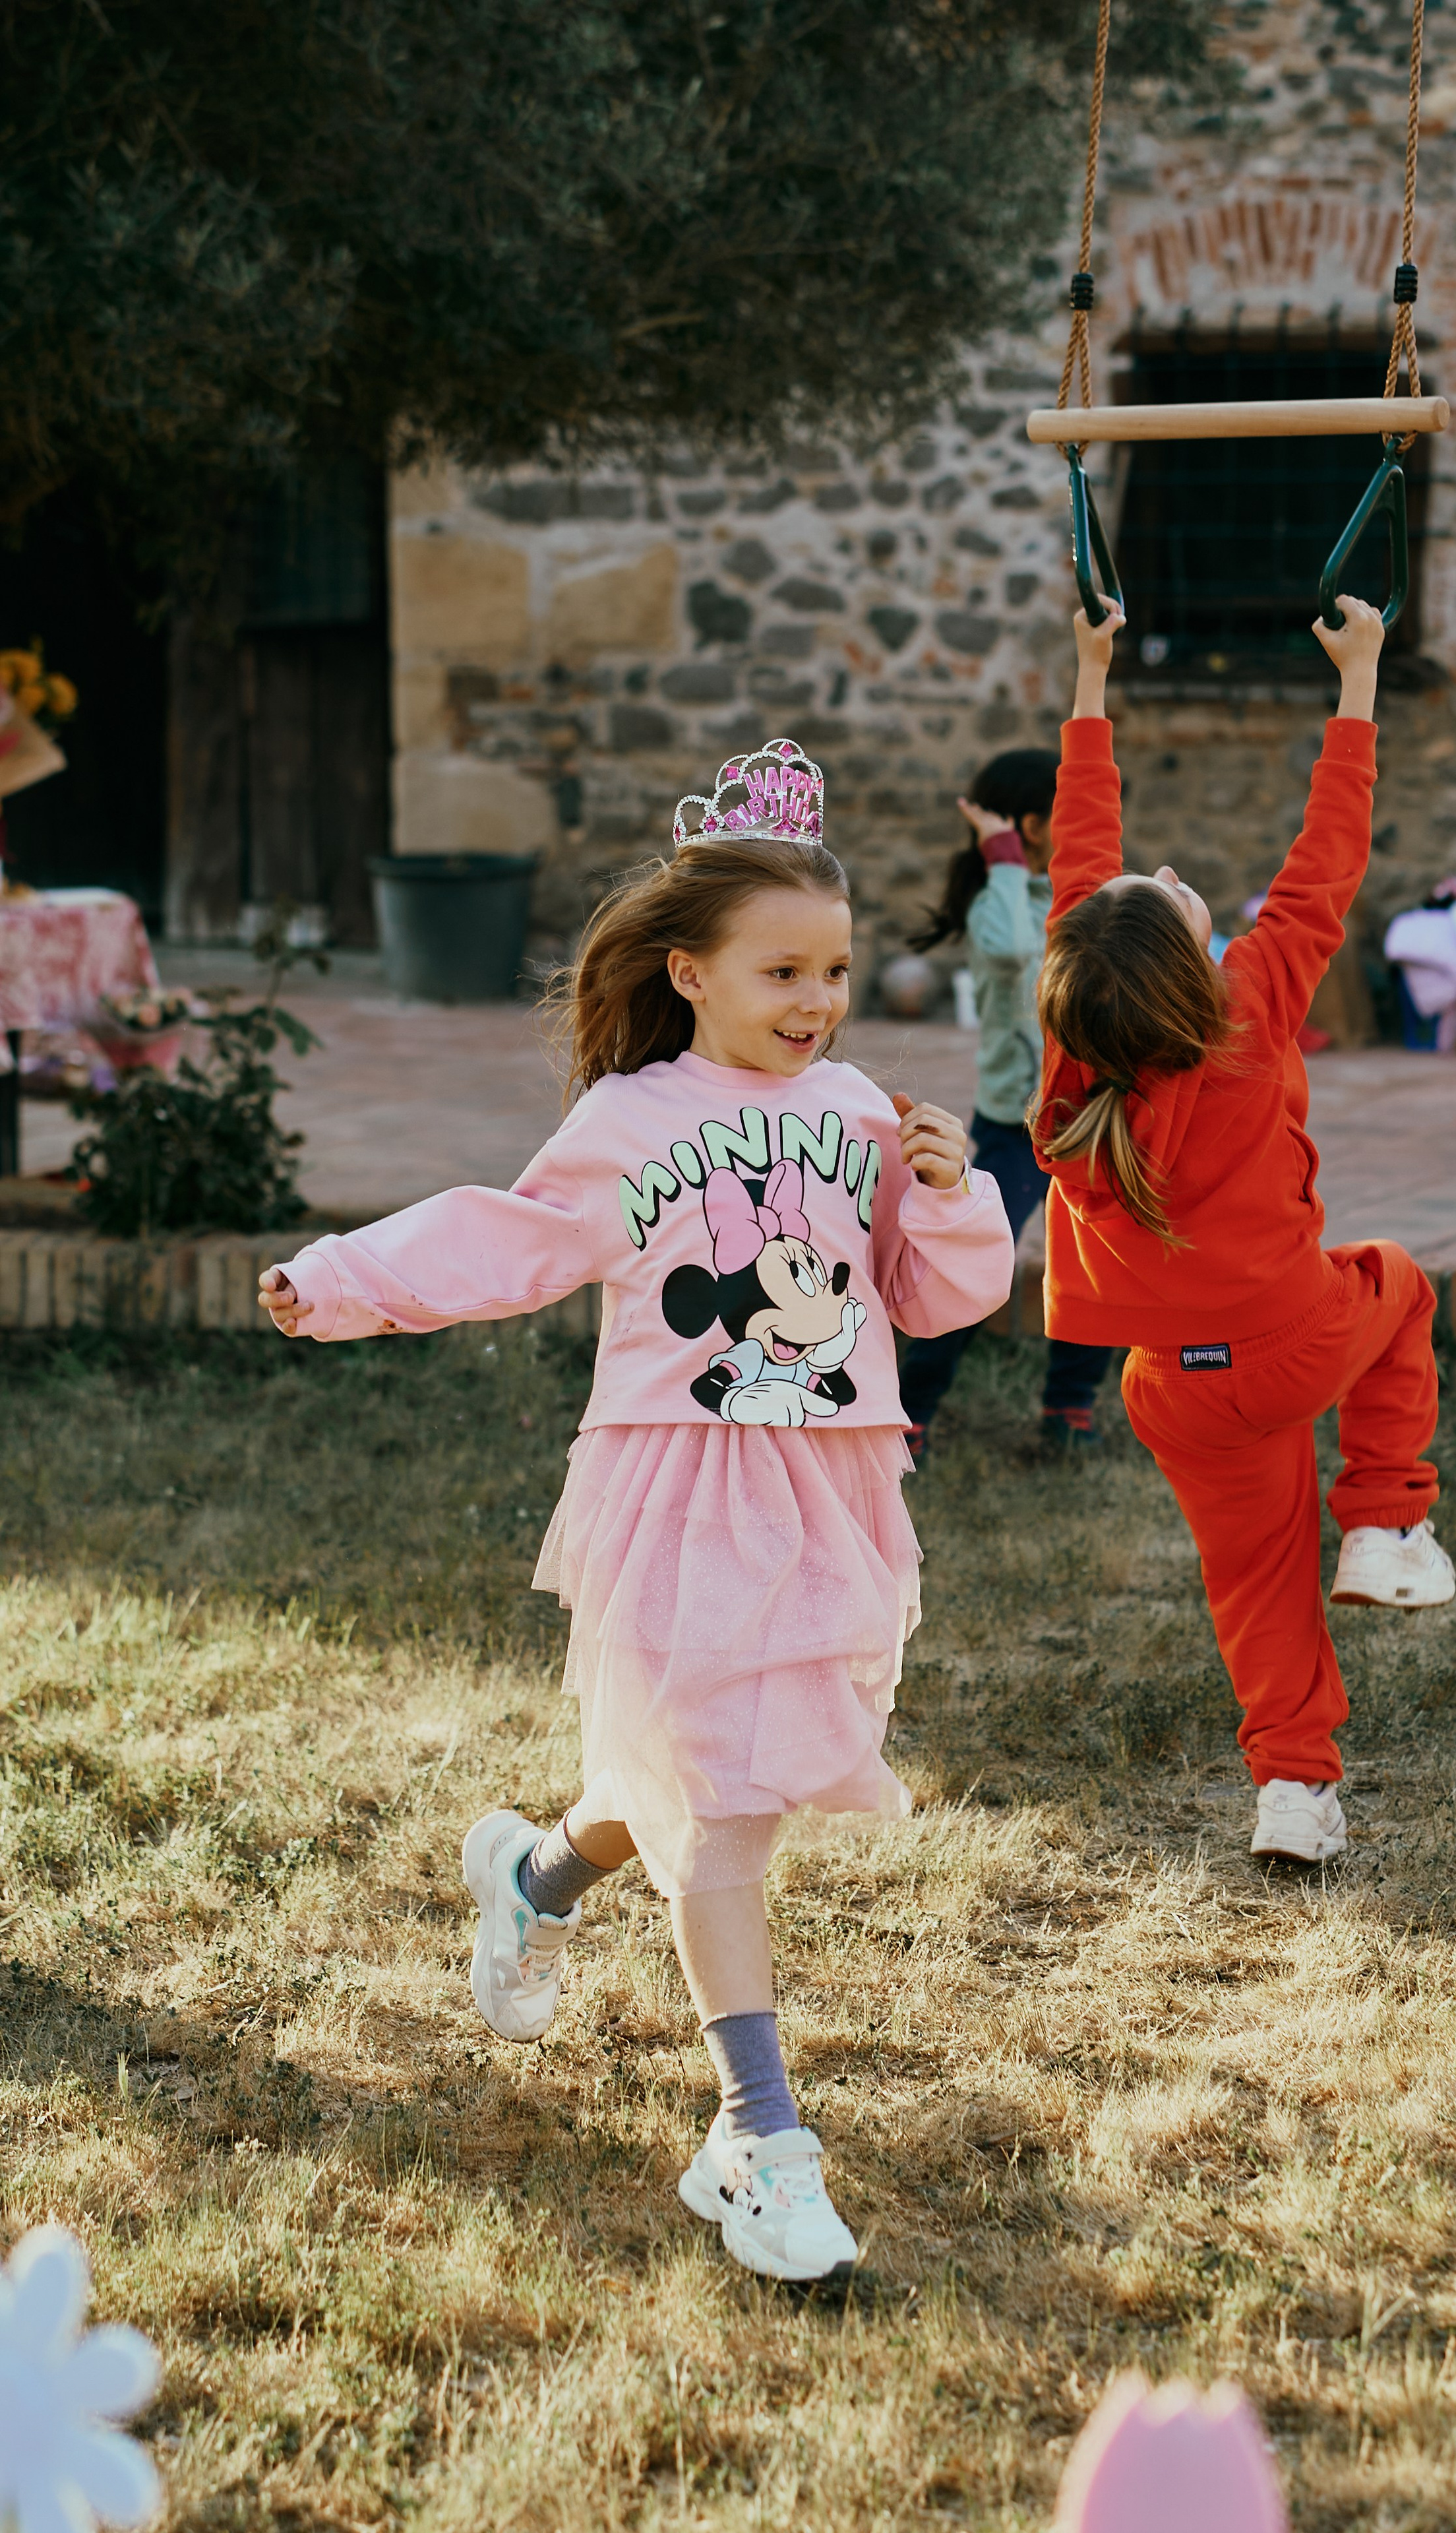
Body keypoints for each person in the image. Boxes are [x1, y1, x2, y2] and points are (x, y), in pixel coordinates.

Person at [255, 738, 1014, 2281]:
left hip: (828, 1486)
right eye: (782, 972)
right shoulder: (631, 1119)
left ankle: (531, 1880)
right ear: (689, 973)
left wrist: (945, 1191)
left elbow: (936, 1297)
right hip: (679, 1483)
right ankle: (759, 2141)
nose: (815, 1001)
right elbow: (507, 1237)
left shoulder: (861, 1110)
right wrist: (339, 1279)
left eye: (834, 971)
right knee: (719, 1804)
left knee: (718, 1774)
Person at [1033, 598, 1455, 1868]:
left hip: (1177, 1390)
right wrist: (1359, 681)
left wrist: (1092, 677)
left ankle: (1293, 1796)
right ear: (1189, 958)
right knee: (1401, 1282)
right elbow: (1329, 856)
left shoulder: (1075, 1058)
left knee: (1258, 1583)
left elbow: (1080, 865)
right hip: (1295, 1337)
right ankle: (1384, 1522)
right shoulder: (1250, 1005)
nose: (1161, 871)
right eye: (1160, 892)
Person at [900, 751, 1112, 1459]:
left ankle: (1070, 1407)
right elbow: (1018, 949)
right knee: (974, 1261)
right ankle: (909, 1414)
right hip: (1016, 1124)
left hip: (1087, 1117)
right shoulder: (999, 900)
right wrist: (1004, 859)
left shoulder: (1082, 892)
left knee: (1097, 1264)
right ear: (1031, 825)